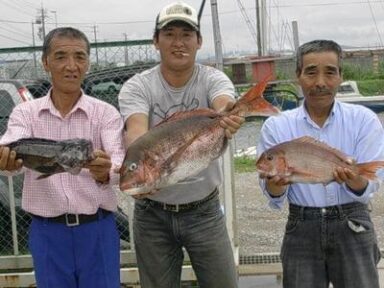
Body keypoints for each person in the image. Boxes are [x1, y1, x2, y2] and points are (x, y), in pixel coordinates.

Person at [118, 1, 242, 287]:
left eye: (187, 35)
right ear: (155, 42)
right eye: (169, 34)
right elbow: (136, 132)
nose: (178, 42)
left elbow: (224, 103)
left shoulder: (213, 78)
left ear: (198, 42)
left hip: (204, 211)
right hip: (152, 215)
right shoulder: (138, 86)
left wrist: (231, 115)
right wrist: (140, 169)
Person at [0, 27, 125, 288]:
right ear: (46, 62)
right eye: (60, 57)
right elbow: (11, 150)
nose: (71, 66)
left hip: (98, 228)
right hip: (47, 231)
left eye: (80, 57)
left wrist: (106, 171)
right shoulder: (25, 113)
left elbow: (119, 165)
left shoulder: (106, 113)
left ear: (88, 63)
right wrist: (6, 161)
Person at [257, 39, 384, 288]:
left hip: (353, 223)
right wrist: (276, 185)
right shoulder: (276, 125)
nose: (320, 83)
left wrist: (354, 177)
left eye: (330, 72)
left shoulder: (363, 120)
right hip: (301, 226)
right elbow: (273, 196)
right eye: (311, 72)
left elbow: (369, 185)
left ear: (340, 76)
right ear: (298, 76)